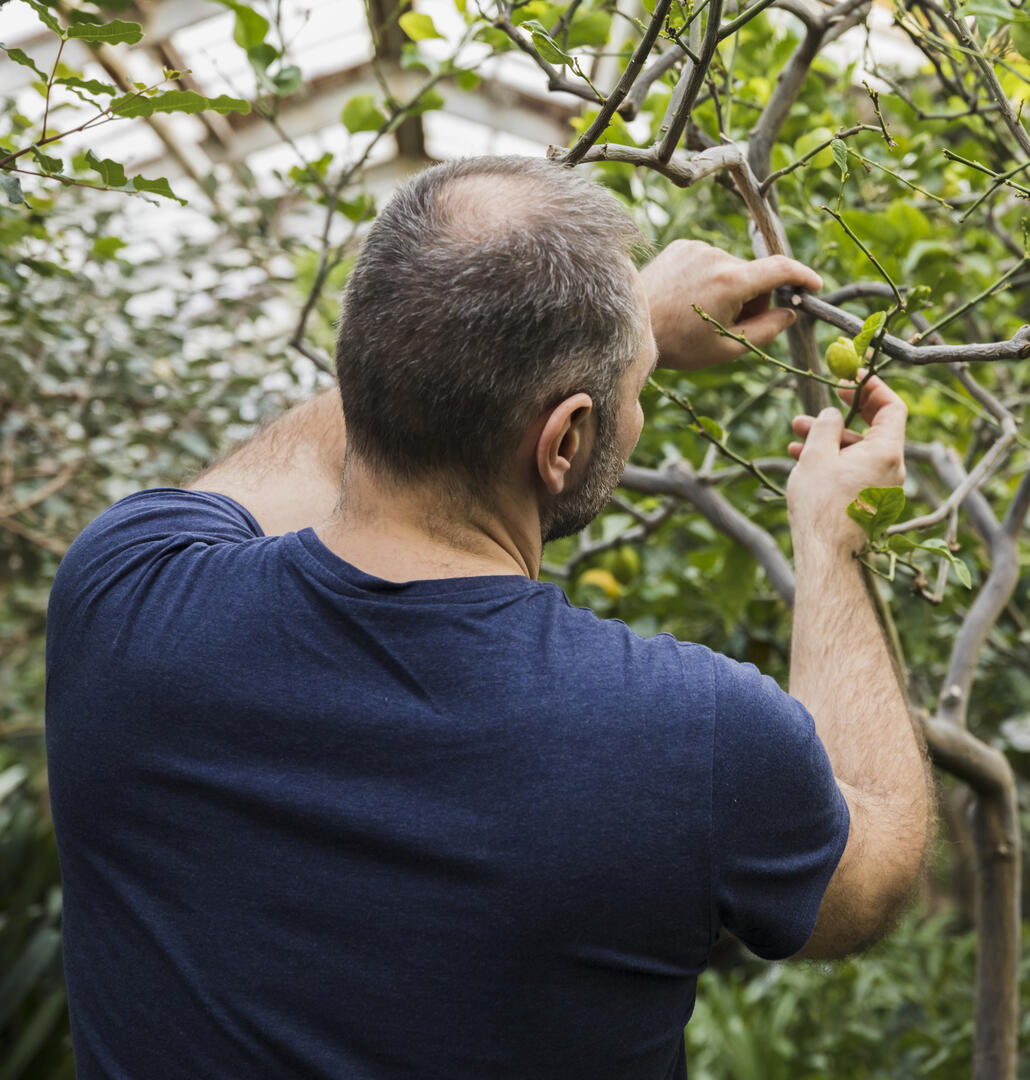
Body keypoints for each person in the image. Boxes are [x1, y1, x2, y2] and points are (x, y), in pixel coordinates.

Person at [44, 156, 933, 1078]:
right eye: (633, 394)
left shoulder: (123, 597)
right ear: (566, 443)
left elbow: (319, 441)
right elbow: (872, 873)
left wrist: (620, 321)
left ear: (363, 358)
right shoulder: (694, 736)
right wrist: (836, 541)